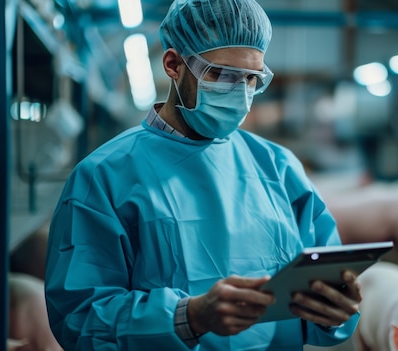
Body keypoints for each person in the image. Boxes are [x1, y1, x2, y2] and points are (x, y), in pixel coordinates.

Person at [44, 0, 362, 349]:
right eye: (221, 74)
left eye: (251, 79)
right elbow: (80, 318)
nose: (239, 93)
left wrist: (334, 310)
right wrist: (188, 317)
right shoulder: (103, 177)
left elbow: (322, 285)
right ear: (173, 64)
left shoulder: (278, 168)